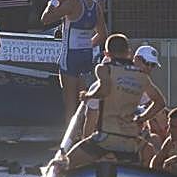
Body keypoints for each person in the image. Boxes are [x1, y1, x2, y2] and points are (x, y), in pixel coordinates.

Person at [65, 34, 164, 169]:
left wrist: (88, 96)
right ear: (129, 53)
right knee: (150, 153)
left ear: (106, 53)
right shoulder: (143, 78)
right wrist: (141, 118)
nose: (150, 68)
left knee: (66, 163)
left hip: (106, 138)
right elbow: (160, 102)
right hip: (130, 140)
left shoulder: (104, 69)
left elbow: (104, 90)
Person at [41, 0, 108, 120]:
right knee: (84, 102)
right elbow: (103, 34)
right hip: (86, 56)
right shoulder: (94, 5)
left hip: (70, 58)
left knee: (70, 104)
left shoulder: (71, 3)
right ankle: (85, 131)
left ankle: (69, 133)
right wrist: (87, 45)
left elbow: (45, 19)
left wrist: (54, 0)